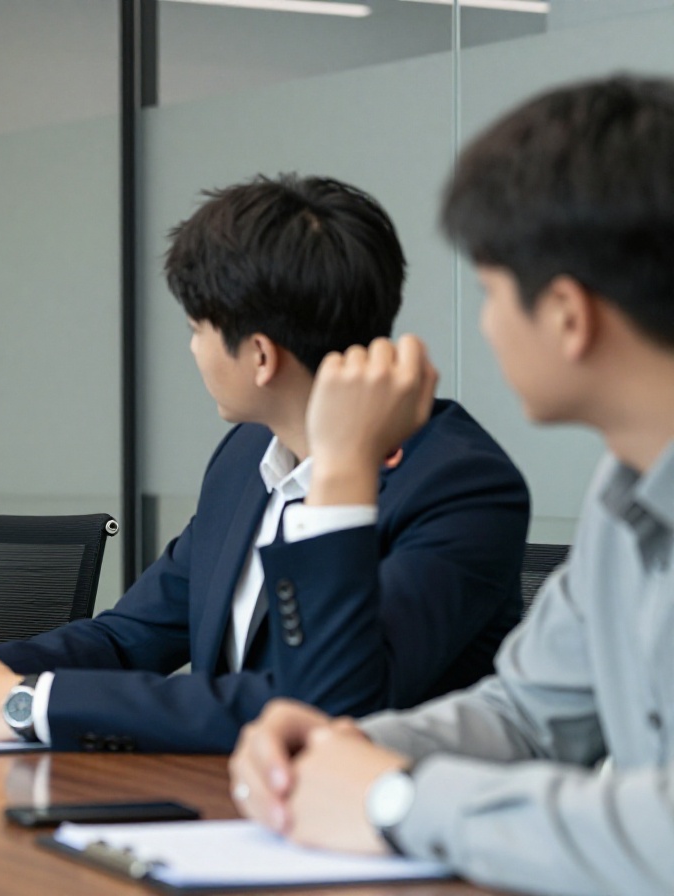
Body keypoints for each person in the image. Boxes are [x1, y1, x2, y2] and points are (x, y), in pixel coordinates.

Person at [0, 175, 530, 753]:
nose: (192, 351)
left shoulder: (460, 485)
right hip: (227, 802)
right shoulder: (247, 455)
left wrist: (25, 703)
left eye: (196, 330)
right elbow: (133, 637)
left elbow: (323, 703)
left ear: (261, 356)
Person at [229, 76, 674, 895]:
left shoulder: (472, 478)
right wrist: (346, 753)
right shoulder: (625, 492)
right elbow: (525, 715)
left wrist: (396, 799)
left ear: (568, 316)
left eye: (490, 294)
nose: (484, 325)